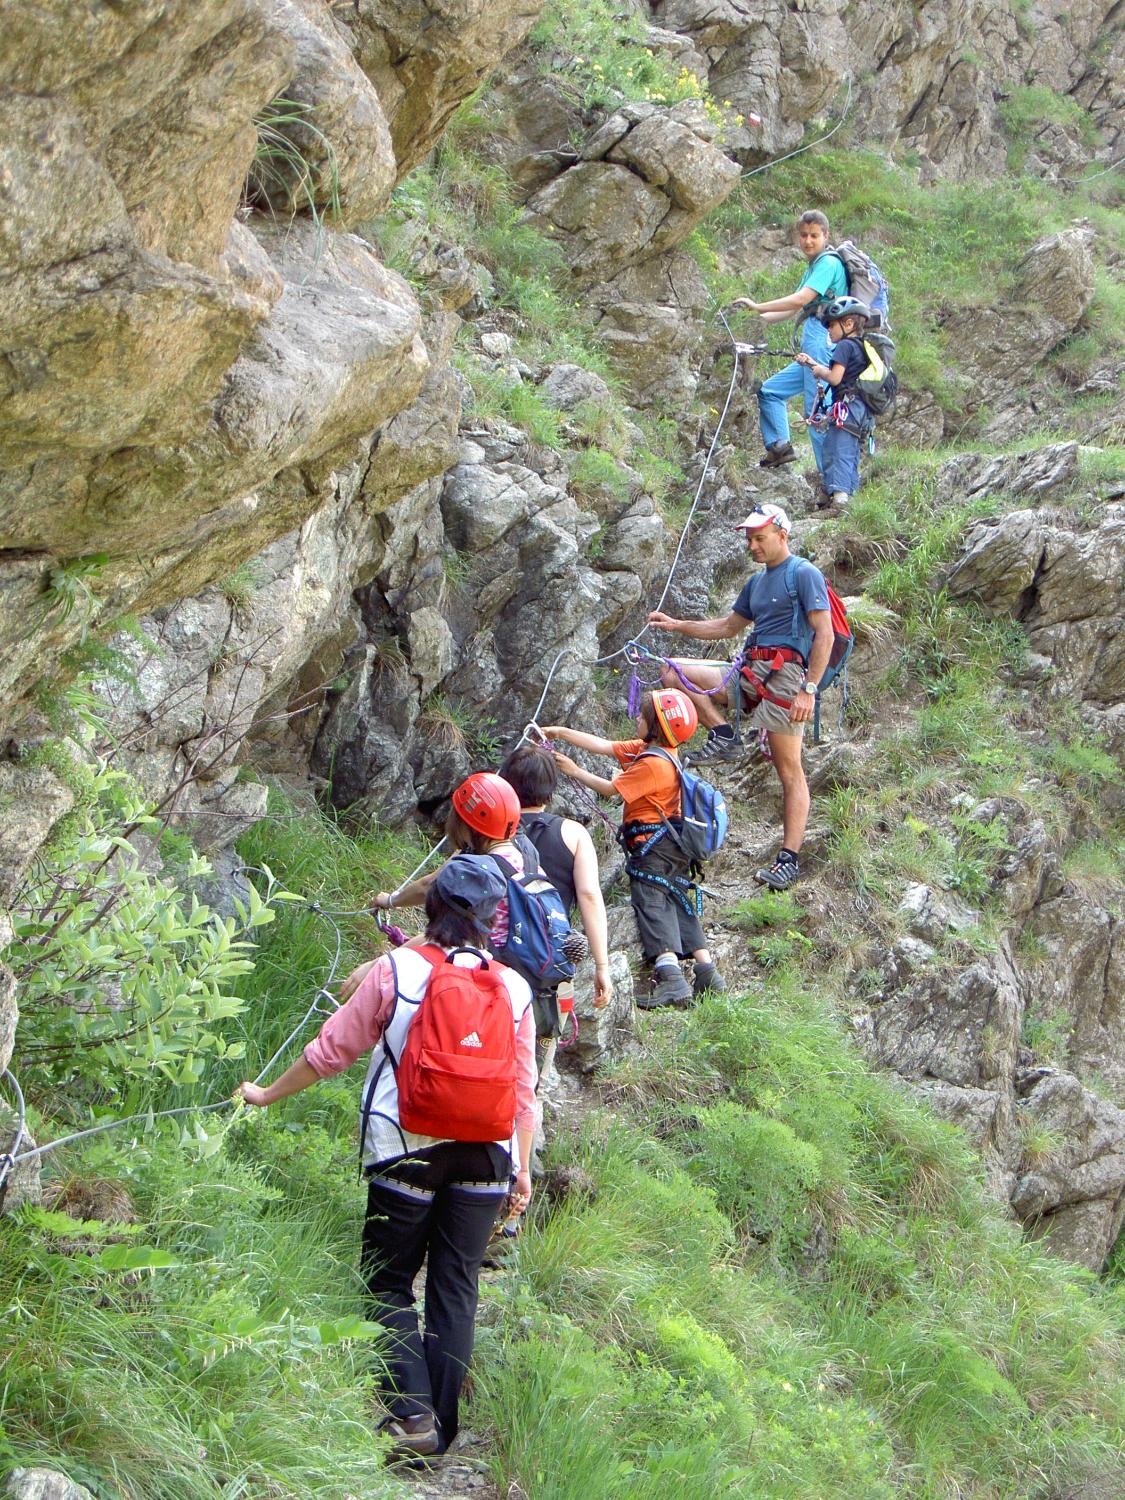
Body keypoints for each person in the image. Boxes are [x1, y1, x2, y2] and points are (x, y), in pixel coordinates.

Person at [236, 856, 537, 1461]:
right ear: (493, 919)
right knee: (456, 1286)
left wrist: (265, 1094)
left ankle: (411, 1414)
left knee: (389, 1283)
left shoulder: (395, 970)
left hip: (405, 1151)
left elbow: (332, 1051)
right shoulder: (514, 987)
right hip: (487, 1156)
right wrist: (522, 1168)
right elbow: (524, 1091)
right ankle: (441, 1431)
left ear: (431, 908)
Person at [647, 503, 833, 892]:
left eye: (759, 538)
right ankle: (724, 734)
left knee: (789, 769)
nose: (752, 546)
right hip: (749, 670)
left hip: (787, 678)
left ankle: (789, 859)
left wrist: (809, 690)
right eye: (749, 539)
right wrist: (676, 624)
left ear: (782, 534)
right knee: (672, 671)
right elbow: (728, 626)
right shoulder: (757, 584)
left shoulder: (804, 574)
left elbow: (825, 634)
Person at [543, 690, 725, 1009]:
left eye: (643, 718)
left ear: (655, 727)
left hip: (653, 845)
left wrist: (572, 770)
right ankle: (707, 971)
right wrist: (561, 733)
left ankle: (671, 979)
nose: (637, 720)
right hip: (674, 844)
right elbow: (604, 746)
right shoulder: (659, 751)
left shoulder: (652, 765)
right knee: (678, 898)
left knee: (652, 901)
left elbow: (612, 790)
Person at [498, 740, 615, 1025]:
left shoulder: (491, 831)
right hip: (548, 960)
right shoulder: (573, 834)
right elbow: (588, 896)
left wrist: (393, 901)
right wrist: (602, 965)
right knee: (540, 1048)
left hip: (495, 957)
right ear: (551, 789)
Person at [730, 209, 848, 486]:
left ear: (825, 236)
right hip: (813, 341)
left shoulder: (828, 264)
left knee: (817, 413)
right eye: (804, 235)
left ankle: (832, 487)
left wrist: (759, 305)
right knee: (770, 391)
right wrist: (753, 317)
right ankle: (780, 448)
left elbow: (799, 300)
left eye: (814, 236)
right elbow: (795, 308)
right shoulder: (815, 266)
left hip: (821, 341)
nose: (808, 241)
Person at [798, 296, 874, 510]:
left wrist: (820, 371)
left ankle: (840, 502)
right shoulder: (862, 347)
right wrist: (812, 362)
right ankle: (847, 497)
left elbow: (835, 378)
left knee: (838, 449)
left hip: (847, 409)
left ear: (848, 324)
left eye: (831, 325)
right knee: (846, 449)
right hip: (861, 409)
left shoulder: (844, 346)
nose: (828, 330)